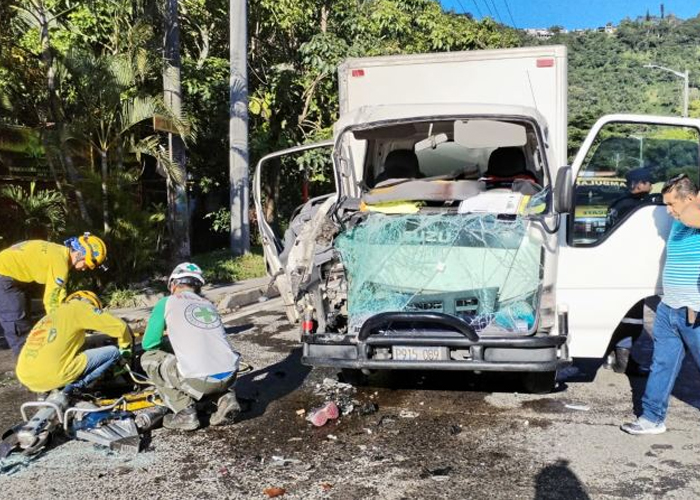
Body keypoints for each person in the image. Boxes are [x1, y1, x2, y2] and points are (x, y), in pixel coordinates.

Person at [621, 174, 700, 434]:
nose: (668, 211)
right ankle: (651, 418)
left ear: (691, 199)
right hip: (669, 308)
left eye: (672, 205)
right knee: (662, 365)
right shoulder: (679, 220)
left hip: (694, 312)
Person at [141, 262, 241, 431]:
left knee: (148, 358)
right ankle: (226, 398)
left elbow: (149, 343)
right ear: (198, 287)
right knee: (206, 368)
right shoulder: (208, 305)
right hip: (230, 374)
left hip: (199, 380)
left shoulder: (167, 302)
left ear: (173, 284)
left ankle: (184, 411)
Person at [0, 233, 107, 355]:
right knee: (17, 326)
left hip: (14, 276)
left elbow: (59, 293)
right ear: (78, 254)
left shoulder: (59, 252)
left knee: (25, 322)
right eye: (87, 264)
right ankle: (29, 369)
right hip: (4, 276)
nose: (85, 268)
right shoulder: (60, 264)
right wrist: (62, 329)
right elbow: (52, 301)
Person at [15, 290, 131, 395]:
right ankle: (75, 387)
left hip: (25, 376)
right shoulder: (81, 308)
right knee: (113, 352)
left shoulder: (49, 317)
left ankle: (53, 387)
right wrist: (126, 349)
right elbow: (121, 327)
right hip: (52, 375)